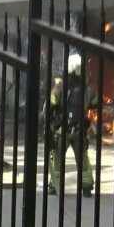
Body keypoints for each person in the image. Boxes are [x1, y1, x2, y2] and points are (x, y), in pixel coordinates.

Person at [44, 53, 95, 196]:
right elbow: (95, 103)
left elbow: (50, 106)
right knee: (83, 158)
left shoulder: (60, 88)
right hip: (79, 131)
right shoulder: (88, 89)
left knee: (58, 158)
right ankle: (86, 187)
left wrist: (47, 126)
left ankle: (54, 186)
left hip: (61, 131)